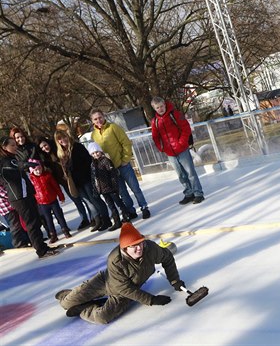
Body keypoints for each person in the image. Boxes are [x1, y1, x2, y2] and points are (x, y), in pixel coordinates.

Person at [55, 222, 185, 324]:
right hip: (105, 281)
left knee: (102, 318)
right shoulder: (115, 260)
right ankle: (69, 296)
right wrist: (150, 299)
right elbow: (122, 286)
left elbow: (167, 257)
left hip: (126, 291)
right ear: (125, 248)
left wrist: (175, 280)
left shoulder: (150, 248)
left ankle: (83, 308)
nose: (139, 248)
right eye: (133, 246)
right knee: (64, 304)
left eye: (140, 243)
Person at [0, 136, 59, 258]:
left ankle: (42, 245)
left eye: (15, 144)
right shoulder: (5, 161)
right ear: (4, 148)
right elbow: (18, 165)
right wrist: (29, 163)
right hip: (19, 197)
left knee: (36, 220)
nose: (16, 147)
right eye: (12, 145)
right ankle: (41, 250)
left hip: (26, 194)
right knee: (31, 223)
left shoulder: (11, 158)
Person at [89, 110, 150, 219]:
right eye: (95, 119)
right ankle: (131, 211)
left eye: (100, 117)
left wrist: (125, 159)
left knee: (135, 188)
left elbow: (126, 142)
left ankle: (144, 207)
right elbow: (96, 152)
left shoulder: (113, 127)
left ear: (103, 116)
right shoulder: (94, 135)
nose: (98, 120)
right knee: (122, 192)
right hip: (111, 169)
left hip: (123, 164)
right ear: (92, 121)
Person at [54, 130, 112, 232]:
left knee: (95, 199)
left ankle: (106, 219)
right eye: (59, 139)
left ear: (67, 136)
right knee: (88, 202)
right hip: (76, 182)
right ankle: (98, 220)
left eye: (64, 137)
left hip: (86, 178)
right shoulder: (61, 153)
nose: (62, 140)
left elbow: (88, 161)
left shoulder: (77, 146)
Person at [150, 97, 204, 205]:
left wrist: (181, 143)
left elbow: (186, 128)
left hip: (182, 149)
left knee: (190, 173)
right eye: (157, 108)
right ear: (154, 108)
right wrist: (162, 148)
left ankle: (198, 193)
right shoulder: (155, 121)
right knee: (181, 175)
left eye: (161, 106)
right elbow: (156, 137)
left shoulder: (175, 114)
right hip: (170, 153)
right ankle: (189, 193)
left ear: (164, 105)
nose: (160, 109)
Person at [36, 137, 91, 230]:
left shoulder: (58, 151)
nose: (44, 148)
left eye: (45, 145)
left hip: (72, 180)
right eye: (42, 148)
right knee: (77, 201)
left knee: (85, 199)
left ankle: (94, 217)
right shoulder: (45, 158)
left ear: (48, 143)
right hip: (63, 183)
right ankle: (84, 219)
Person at [88, 142, 130, 231]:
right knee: (111, 205)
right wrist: (96, 189)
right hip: (103, 190)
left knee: (118, 202)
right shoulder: (93, 165)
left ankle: (126, 216)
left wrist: (115, 187)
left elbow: (113, 174)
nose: (96, 154)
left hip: (111, 188)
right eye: (93, 153)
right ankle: (117, 221)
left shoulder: (106, 161)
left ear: (100, 151)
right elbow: (94, 178)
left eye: (97, 152)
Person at [28, 159, 72, 242]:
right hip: (42, 203)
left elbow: (56, 186)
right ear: (32, 171)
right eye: (36, 170)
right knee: (48, 219)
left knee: (59, 215)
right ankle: (53, 234)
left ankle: (65, 230)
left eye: (39, 169)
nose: (38, 171)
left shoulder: (47, 175)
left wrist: (61, 196)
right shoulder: (31, 179)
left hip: (53, 200)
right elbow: (31, 192)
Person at [0, 182, 31, 248]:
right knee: (15, 225)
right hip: (7, 209)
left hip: (10, 208)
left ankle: (27, 240)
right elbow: (6, 194)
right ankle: (18, 243)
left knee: (20, 224)